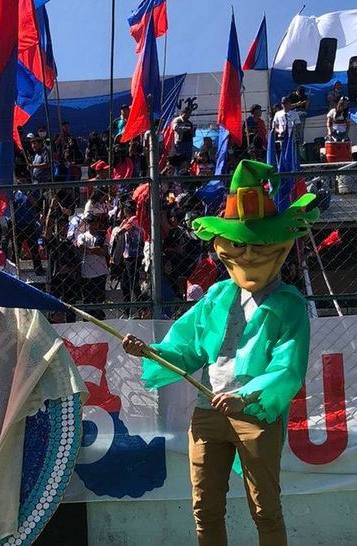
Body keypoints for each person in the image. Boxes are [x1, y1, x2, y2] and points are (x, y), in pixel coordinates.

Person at [122, 160, 319, 546]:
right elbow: (187, 346)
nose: (248, 254)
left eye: (258, 244)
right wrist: (149, 351)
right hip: (208, 411)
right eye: (240, 244)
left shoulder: (289, 304)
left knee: (265, 509)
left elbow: (288, 366)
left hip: (255, 415)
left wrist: (245, 395)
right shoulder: (217, 295)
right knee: (204, 508)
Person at [76, 213, 110, 319]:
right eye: (92, 224)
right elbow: (81, 248)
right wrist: (95, 250)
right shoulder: (82, 236)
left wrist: (89, 250)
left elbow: (104, 251)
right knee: (88, 299)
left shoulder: (102, 236)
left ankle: (99, 317)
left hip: (100, 272)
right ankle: (88, 318)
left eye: (96, 224)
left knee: (99, 299)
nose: (95, 226)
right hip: (87, 273)